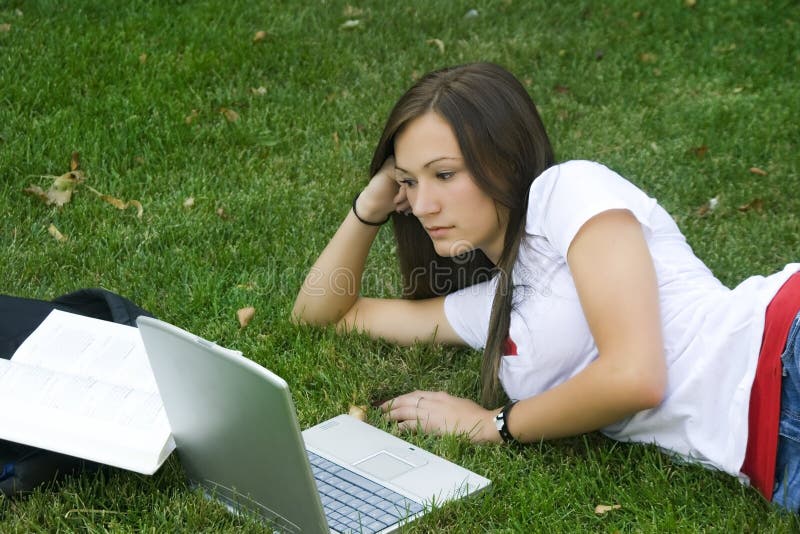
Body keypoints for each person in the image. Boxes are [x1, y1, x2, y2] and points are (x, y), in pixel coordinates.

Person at [291, 62, 800, 510]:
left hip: (780, 349)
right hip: (769, 455)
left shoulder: (567, 191)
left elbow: (635, 377)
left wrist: (492, 423)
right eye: (409, 182)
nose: (422, 205)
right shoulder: (490, 308)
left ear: (505, 162)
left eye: (443, 174)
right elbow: (324, 315)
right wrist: (371, 205)